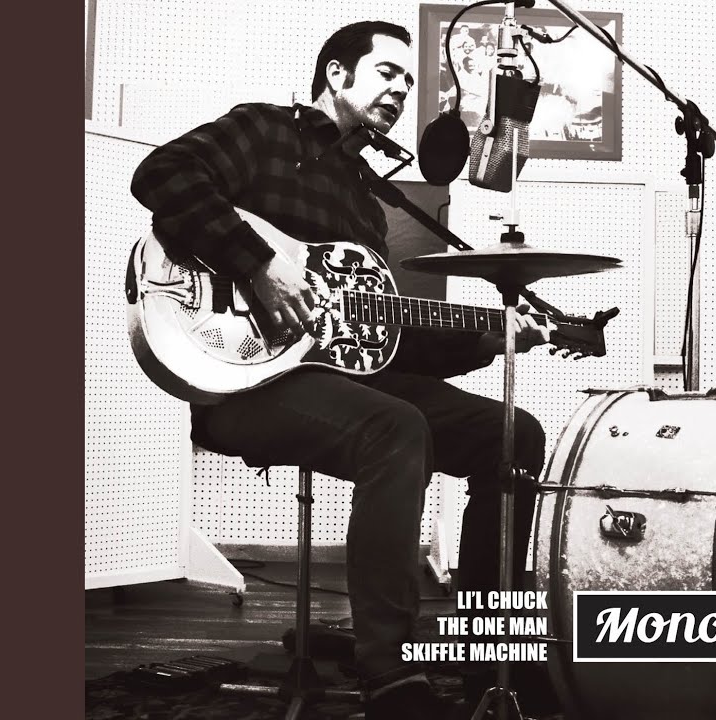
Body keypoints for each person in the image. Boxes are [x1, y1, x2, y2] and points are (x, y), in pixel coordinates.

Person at [130, 21, 553, 720]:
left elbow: (380, 340)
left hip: (345, 381)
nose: (400, 90)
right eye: (387, 72)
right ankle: (389, 673)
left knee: (513, 434)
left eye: (408, 82)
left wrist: (492, 337)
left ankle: (492, 658)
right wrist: (258, 263)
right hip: (243, 383)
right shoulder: (266, 131)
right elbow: (161, 176)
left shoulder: (365, 196)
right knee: (396, 426)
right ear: (336, 73)